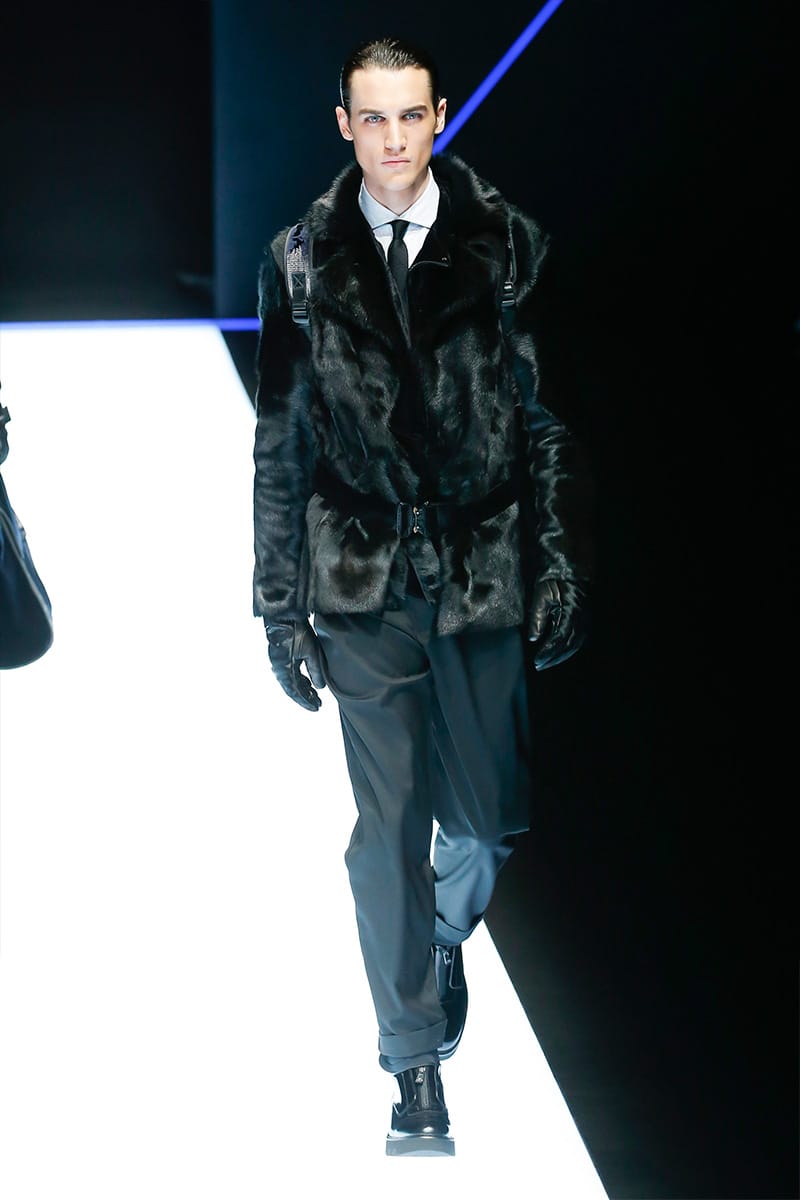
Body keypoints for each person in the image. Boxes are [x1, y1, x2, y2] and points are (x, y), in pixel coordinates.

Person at [252, 35, 593, 1156]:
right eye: (373, 118)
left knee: (488, 820)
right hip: (360, 574)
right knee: (389, 824)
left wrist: (558, 560)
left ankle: (441, 934)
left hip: (480, 563)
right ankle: (412, 1066)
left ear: (439, 116)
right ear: (343, 125)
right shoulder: (300, 262)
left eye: (411, 116)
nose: (394, 139)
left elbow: (544, 422)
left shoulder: (508, 246)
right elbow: (282, 444)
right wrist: (278, 604)